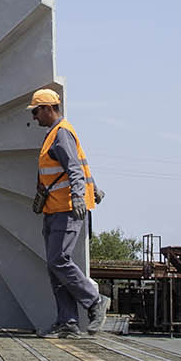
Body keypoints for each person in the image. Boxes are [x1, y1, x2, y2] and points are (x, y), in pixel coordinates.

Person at [28, 87, 109, 338]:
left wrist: (78, 195)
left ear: (49, 108)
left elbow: (73, 167)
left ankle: (95, 301)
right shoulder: (54, 134)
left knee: (58, 260)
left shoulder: (61, 133)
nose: (34, 117)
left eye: (36, 111)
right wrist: (93, 185)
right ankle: (68, 322)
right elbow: (78, 163)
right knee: (54, 266)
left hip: (67, 208)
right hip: (54, 208)